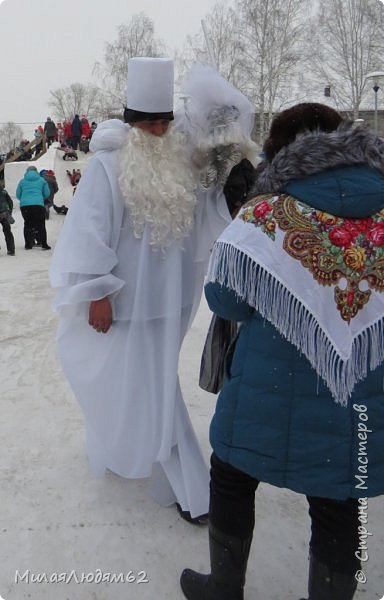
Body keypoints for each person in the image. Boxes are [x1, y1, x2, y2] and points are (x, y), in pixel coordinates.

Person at [180, 103, 384, 599]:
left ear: (280, 151)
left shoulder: (267, 213)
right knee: (340, 497)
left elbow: (224, 298)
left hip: (263, 386)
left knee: (231, 476)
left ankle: (223, 587)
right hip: (359, 387)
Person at [50, 58, 257, 524]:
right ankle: (190, 490)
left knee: (150, 387)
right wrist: (97, 292)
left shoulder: (181, 160)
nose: (158, 131)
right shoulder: (107, 165)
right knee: (149, 389)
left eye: (164, 121)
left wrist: (228, 184)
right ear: (131, 120)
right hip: (123, 302)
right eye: (148, 123)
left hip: (171, 300)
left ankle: (161, 470)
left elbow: (204, 217)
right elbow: (88, 231)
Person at [16, 166, 51, 250]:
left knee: (27, 224)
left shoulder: (22, 181)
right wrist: (40, 199)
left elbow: (18, 195)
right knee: (41, 224)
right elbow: (47, 193)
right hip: (38, 205)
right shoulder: (42, 180)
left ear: (27, 172)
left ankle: (28, 244)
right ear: (36, 171)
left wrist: (25, 200)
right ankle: (44, 244)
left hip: (25, 206)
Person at [0, 186, 15, 255]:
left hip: (4, 213)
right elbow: (10, 202)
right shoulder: (4, 192)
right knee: (7, 231)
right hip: (5, 213)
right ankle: (11, 249)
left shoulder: (4, 192)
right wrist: (10, 211)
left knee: (7, 231)